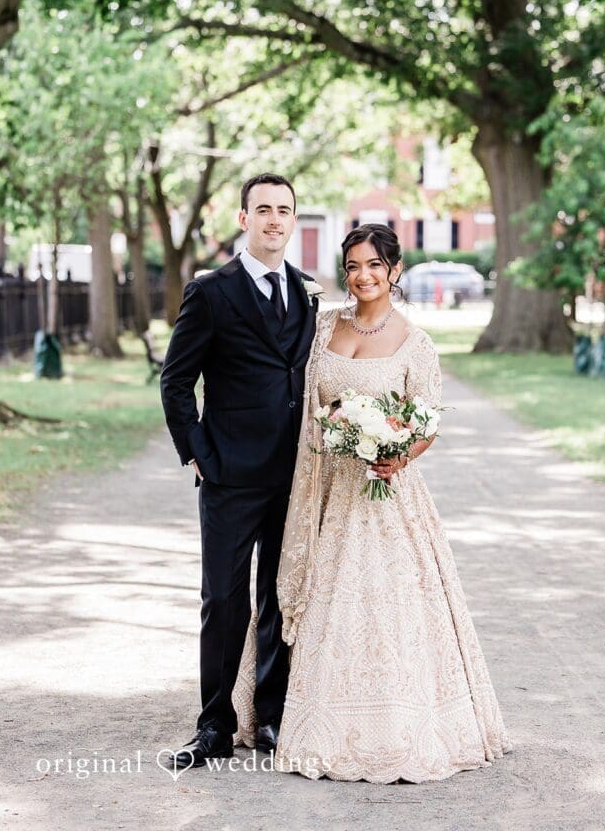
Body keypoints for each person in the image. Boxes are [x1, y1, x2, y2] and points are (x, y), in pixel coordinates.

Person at [234, 223, 512, 782]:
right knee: (315, 592)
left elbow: (427, 420)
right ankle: (281, 709)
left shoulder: (416, 342)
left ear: (395, 271)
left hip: (386, 494)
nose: (363, 277)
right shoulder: (322, 327)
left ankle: (396, 722)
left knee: (385, 605)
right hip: (324, 488)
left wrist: (399, 454)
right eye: (354, 267)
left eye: (374, 267)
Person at [160, 173, 319, 768]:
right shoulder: (212, 291)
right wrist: (199, 452)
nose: (275, 219)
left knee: (279, 598)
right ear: (243, 217)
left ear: (292, 219)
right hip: (229, 474)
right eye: (263, 209)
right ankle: (213, 726)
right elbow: (176, 380)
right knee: (222, 600)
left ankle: (269, 718)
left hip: (294, 474)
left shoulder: (306, 291)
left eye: (284, 210)